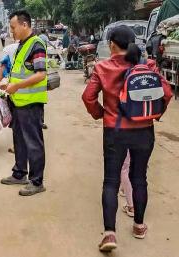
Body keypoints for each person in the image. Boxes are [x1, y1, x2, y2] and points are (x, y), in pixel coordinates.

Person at [82, 25, 172, 252]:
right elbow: (167, 93)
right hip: (144, 130)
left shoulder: (102, 67)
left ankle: (110, 233)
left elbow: (88, 97)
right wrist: (155, 115)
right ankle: (139, 226)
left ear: (112, 44)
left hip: (115, 131)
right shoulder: (147, 65)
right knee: (140, 177)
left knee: (111, 181)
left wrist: (100, 113)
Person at [0, 10, 48, 196]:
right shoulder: (22, 44)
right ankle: (20, 173)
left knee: (33, 143)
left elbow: (41, 73)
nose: (12, 31)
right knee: (19, 139)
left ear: (24, 25)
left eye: (13, 27)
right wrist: (8, 84)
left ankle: (37, 181)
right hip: (18, 101)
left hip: (30, 103)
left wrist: (17, 85)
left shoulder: (36, 44)